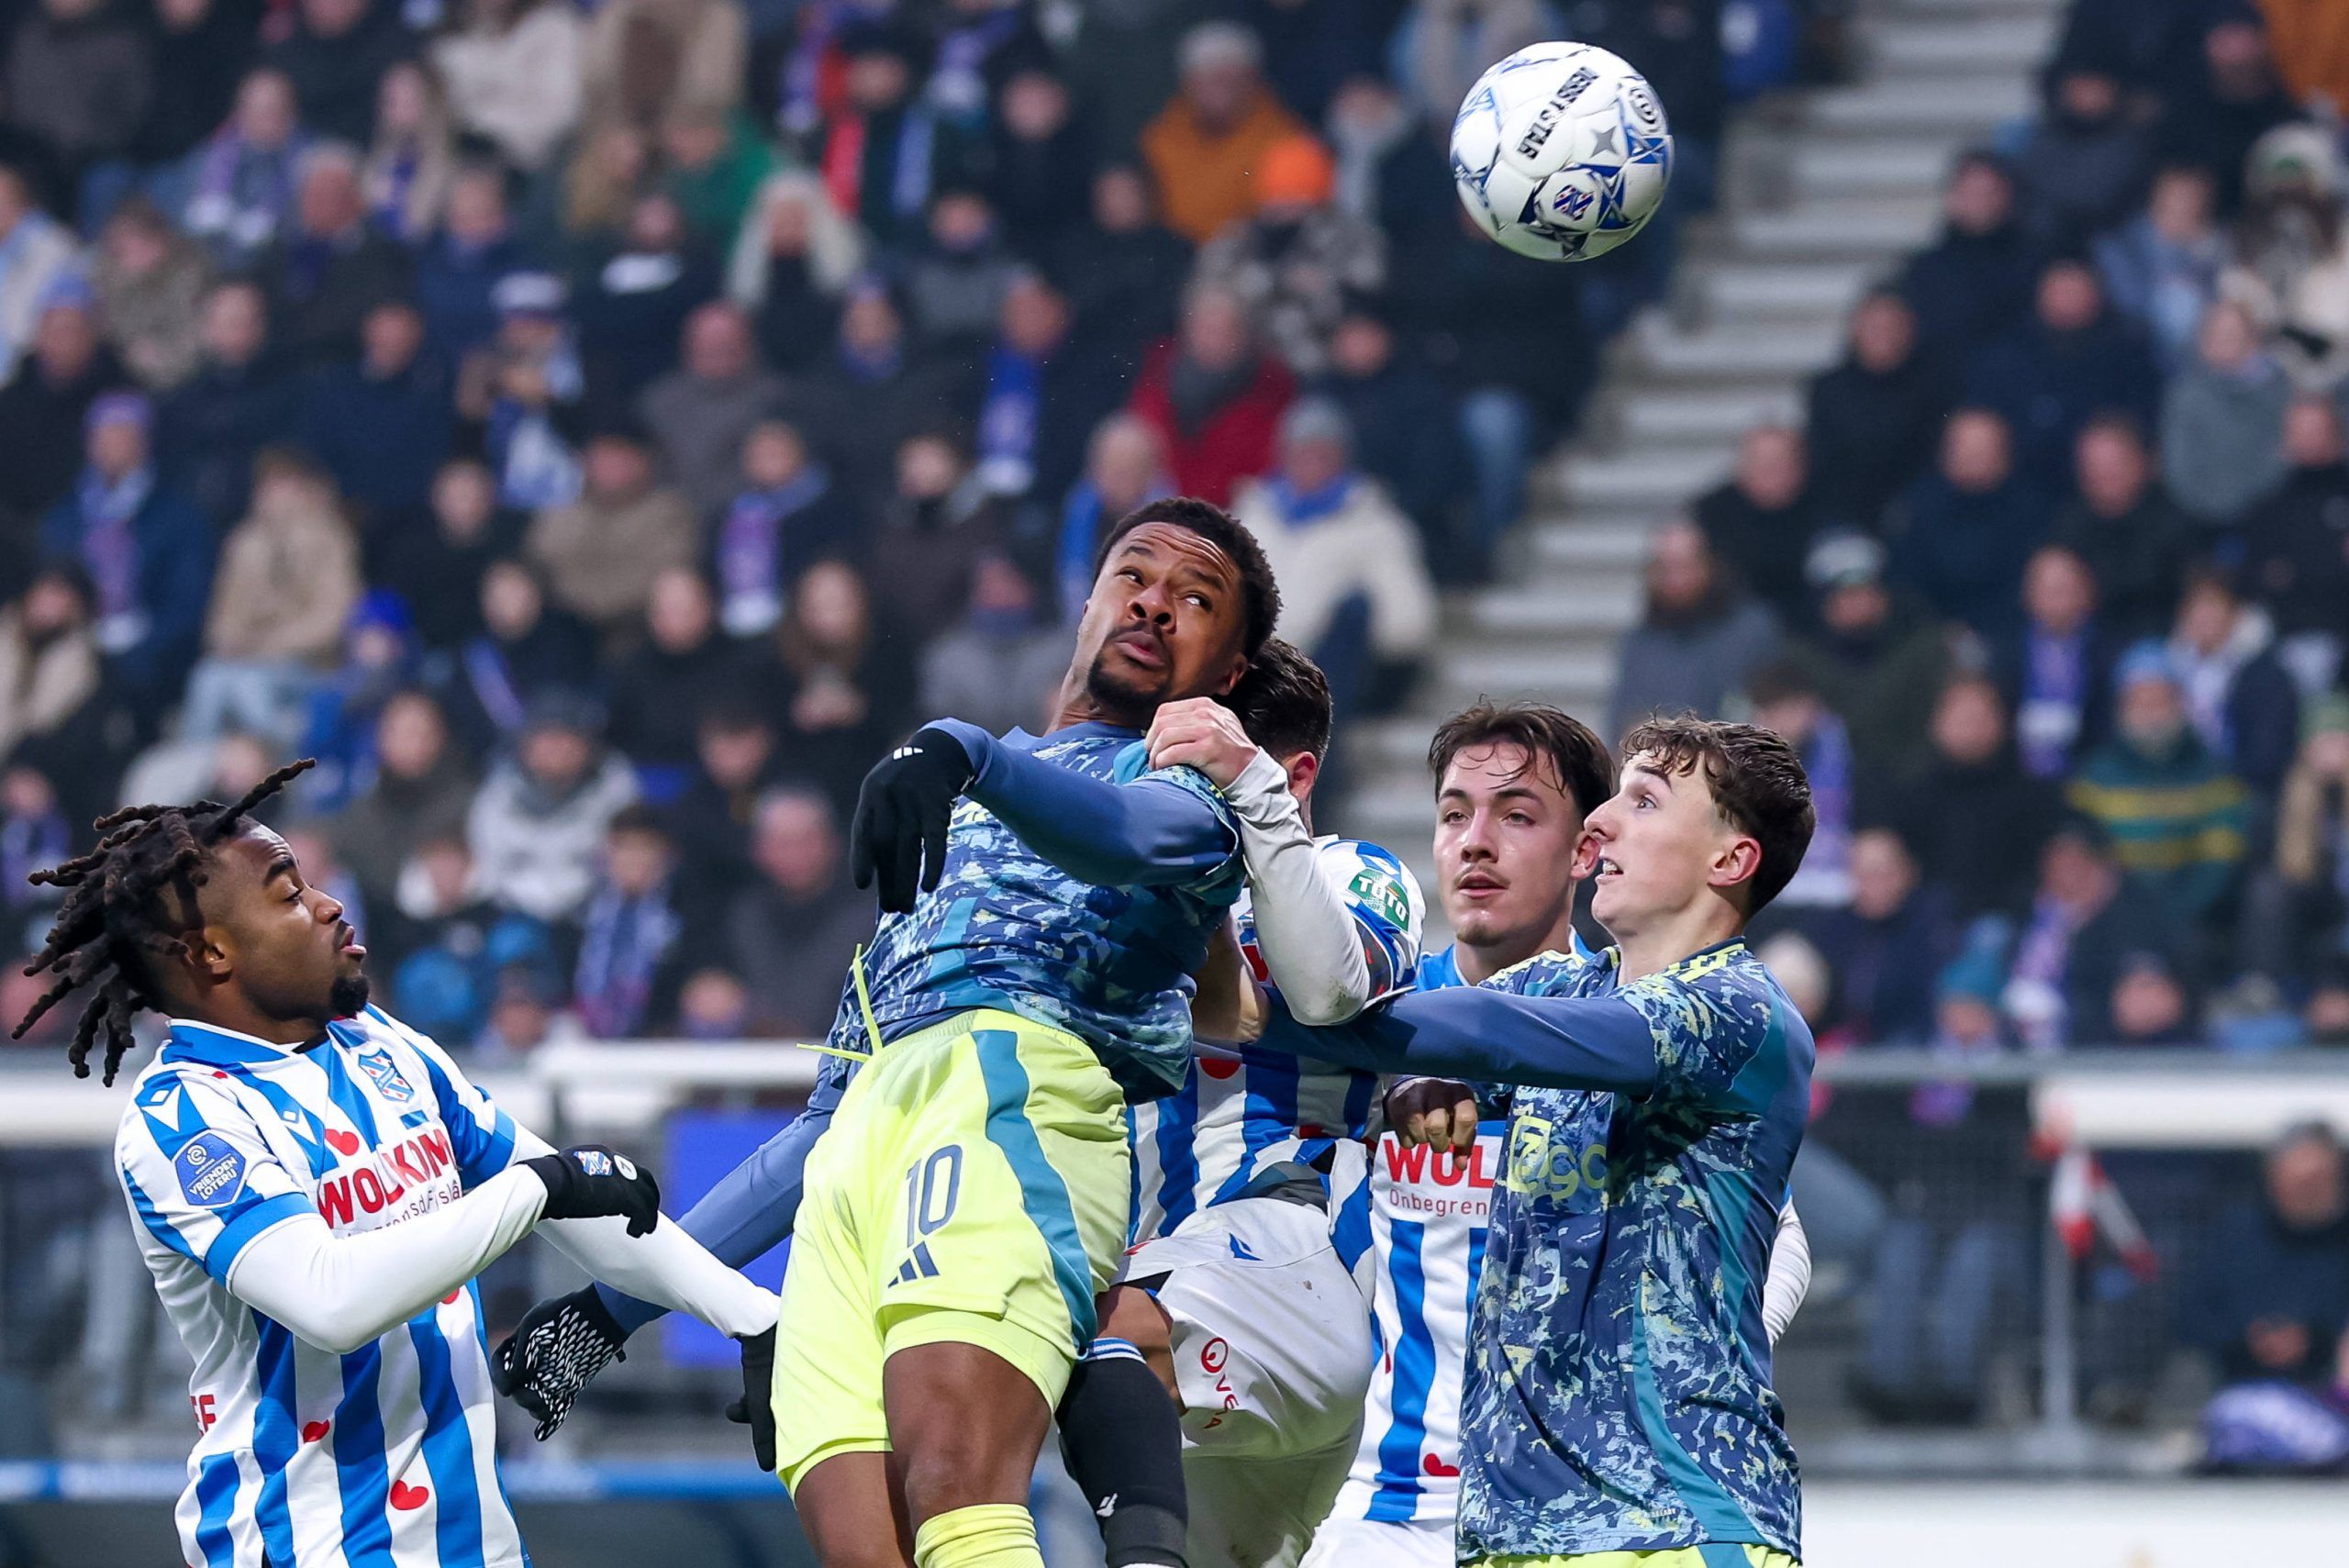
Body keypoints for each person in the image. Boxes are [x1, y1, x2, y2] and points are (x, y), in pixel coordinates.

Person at [495, 496, 1282, 1568]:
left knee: (956, 1482)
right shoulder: (948, 807)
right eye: (1135, 575)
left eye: (1197, 600)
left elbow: (1124, 839)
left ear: (1229, 671)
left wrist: (964, 747)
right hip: (862, 1148)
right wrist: (614, 1304)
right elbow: (820, 1125)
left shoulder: (1188, 791)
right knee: (873, 1549)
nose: (1155, 603)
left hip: (1018, 1096)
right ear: (1088, 596)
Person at [11, 758, 778, 1568]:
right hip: (308, 1547)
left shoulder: (380, 1042)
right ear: (211, 954)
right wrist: (536, 1188)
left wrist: (750, 1316)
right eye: (288, 892)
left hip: (472, 1545)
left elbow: (581, 1201)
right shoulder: (185, 1120)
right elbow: (333, 1299)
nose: (328, 903)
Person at [1246, 716, 1817, 1568]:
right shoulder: (1560, 982)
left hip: (1676, 1522)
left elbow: (1495, 1031)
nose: (1604, 823)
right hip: (1511, 1536)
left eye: (1645, 802)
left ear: (1729, 861)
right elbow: (1443, 1024)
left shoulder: (1739, 1010)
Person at [1603, 519, 1779, 747]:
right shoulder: (1640, 643)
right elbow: (1623, 724)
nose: (1676, 581)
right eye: (1665, 569)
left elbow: (1774, 719)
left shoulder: (1752, 633)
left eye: (1684, 566)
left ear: (1709, 565)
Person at [1141, 22, 1306, 246]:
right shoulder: (1159, 139)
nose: (1220, 86)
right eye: (1209, 76)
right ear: (1188, 83)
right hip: (1172, 258)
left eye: (1230, 77)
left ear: (1251, 80)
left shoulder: (1284, 139)